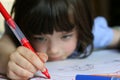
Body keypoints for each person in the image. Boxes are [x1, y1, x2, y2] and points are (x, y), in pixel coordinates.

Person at [0, 0, 120, 79]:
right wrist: (9, 62)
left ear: (82, 29)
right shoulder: (19, 31)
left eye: (66, 36)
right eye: (40, 38)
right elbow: (3, 47)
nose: (54, 50)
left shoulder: (92, 33)